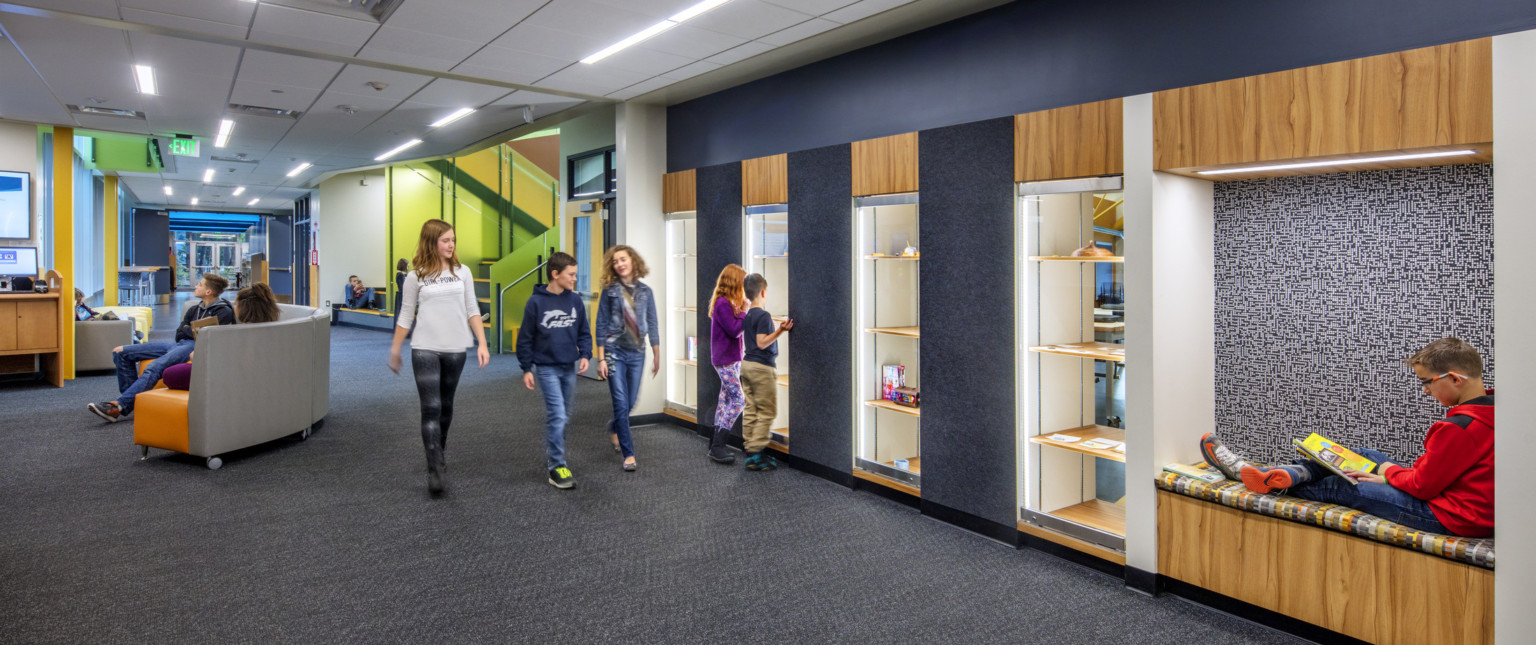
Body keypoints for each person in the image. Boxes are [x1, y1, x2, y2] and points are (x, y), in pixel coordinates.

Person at [1199, 337, 1494, 537]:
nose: (1425, 391)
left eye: (1426, 382)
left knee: (1344, 486)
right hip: (1459, 502)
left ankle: (1247, 475)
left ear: (1455, 378)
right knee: (1366, 455)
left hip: (1451, 516)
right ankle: (1286, 473)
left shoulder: (1460, 427)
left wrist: (1389, 474)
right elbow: (1438, 472)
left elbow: (1423, 485)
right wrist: (1387, 472)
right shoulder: (1495, 412)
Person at [389, 219, 491, 496]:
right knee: (431, 407)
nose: (451, 245)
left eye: (453, 240)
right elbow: (406, 314)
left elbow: (472, 308)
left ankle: (439, 449)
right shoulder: (416, 276)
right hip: (424, 348)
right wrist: (395, 348)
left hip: (456, 347)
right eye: (445, 240)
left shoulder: (463, 272)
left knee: (446, 406)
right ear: (431, 242)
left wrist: (482, 342)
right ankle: (434, 466)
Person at [87, 273, 234, 423]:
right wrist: (190, 330)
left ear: (209, 292)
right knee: (120, 352)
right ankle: (133, 402)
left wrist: (187, 329)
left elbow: (206, 336)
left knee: (154, 367)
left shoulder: (223, 311)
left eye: (200, 284)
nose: (196, 286)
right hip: (179, 344)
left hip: (194, 347)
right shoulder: (194, 309)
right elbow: (179, 333)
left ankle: (118, 407)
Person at [517, 251, 591, 489]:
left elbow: (583, 331)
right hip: (546, 368)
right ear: (555, 274)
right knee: (557, 415)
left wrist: (586, 354)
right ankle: (557, 465)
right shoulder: (536, 302)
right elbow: (525, 338)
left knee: (564, 416)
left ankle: (556, 457)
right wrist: (526, 368)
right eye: (571, 275)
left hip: (568, 367)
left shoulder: (575, 301)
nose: (574, 279)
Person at [594, 245, 660, 472]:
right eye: (615, 262)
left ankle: (613, 427)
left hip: (637, 353)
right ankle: (628, 453)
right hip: (614, 352)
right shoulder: (610, 290)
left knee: (631, 402)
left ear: (633, 261)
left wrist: (657, 353)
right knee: (621, 402)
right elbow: (600, 323)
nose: (619, 264)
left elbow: (653, 323)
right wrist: (601, 358)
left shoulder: (646, 292)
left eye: (623, 259)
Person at [160, 283, 282, 390]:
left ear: (242, 307)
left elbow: (197, 357)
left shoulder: (237, 334)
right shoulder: (276, 332)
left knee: (169, 374)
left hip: (224, 375)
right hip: (251, 376)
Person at [739, 273, 793, 471]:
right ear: (763, 292)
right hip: (762, 368)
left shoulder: (748, 316)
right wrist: (780, 331)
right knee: (768, 411)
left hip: (747, 365)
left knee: (751, 409)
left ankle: (750, 449)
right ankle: (755, 453)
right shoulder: (763, 315)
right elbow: (762, 342)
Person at [706, 264, 749, 464]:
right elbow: (734, 330)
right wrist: (745, 311)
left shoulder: (728, 302)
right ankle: (718, 445)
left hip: (731, 359)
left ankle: (715, 441)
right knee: (739, 400)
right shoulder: (723, 303)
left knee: (724, 400)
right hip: (725, 360)